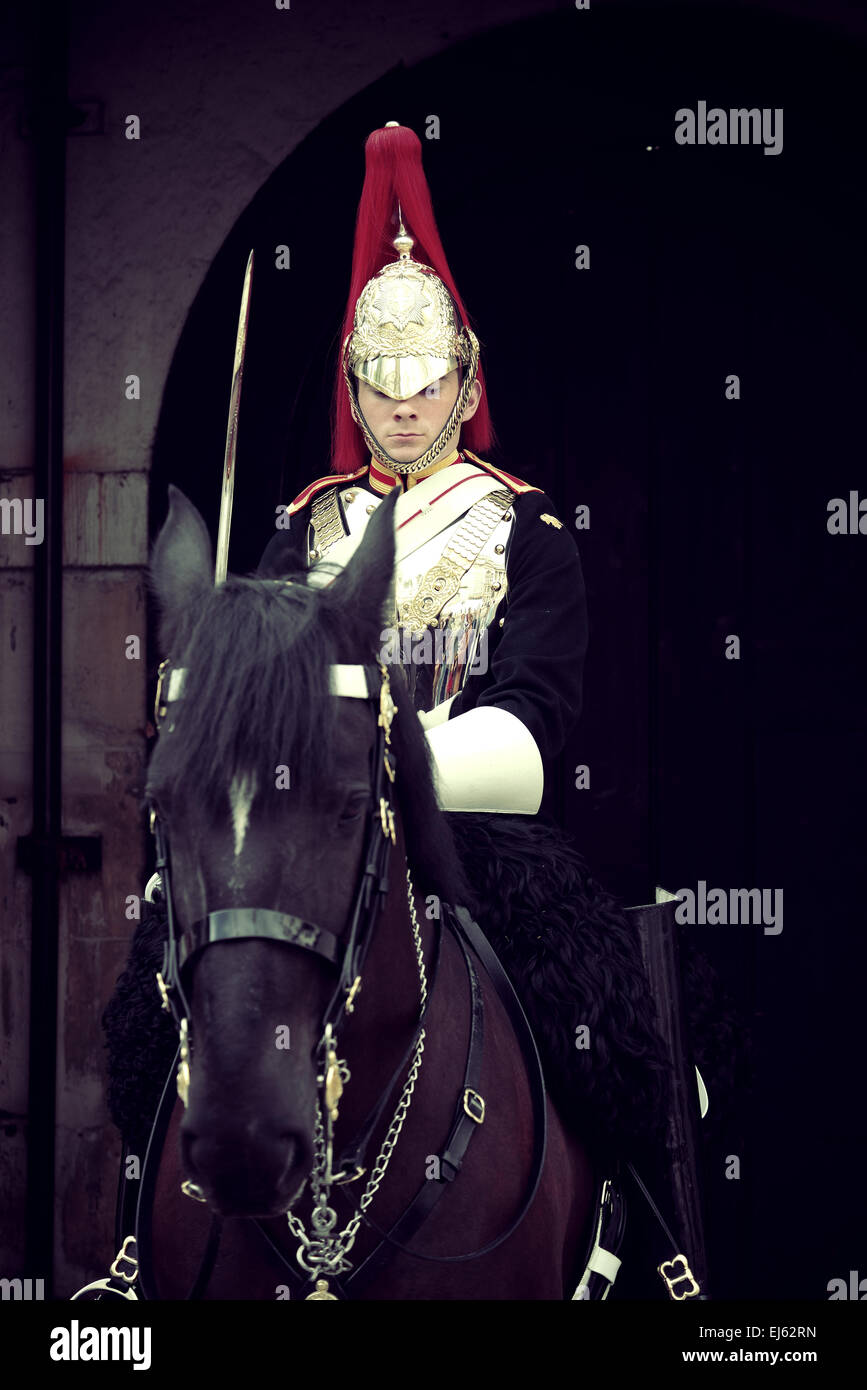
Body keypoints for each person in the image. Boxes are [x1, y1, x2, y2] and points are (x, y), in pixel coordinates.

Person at [258, 124, 671, 1165]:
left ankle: (651, 1231)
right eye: (384, 385)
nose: (405, 407)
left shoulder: (526, 527)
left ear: (468, 384)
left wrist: (399, 768)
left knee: (606, 1024)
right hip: (317, 834)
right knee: (161, 990)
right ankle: (137, 1248)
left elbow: (537, 714)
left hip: (475, 837)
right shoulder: (303, 525)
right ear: (355, 390)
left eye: (428, 382)